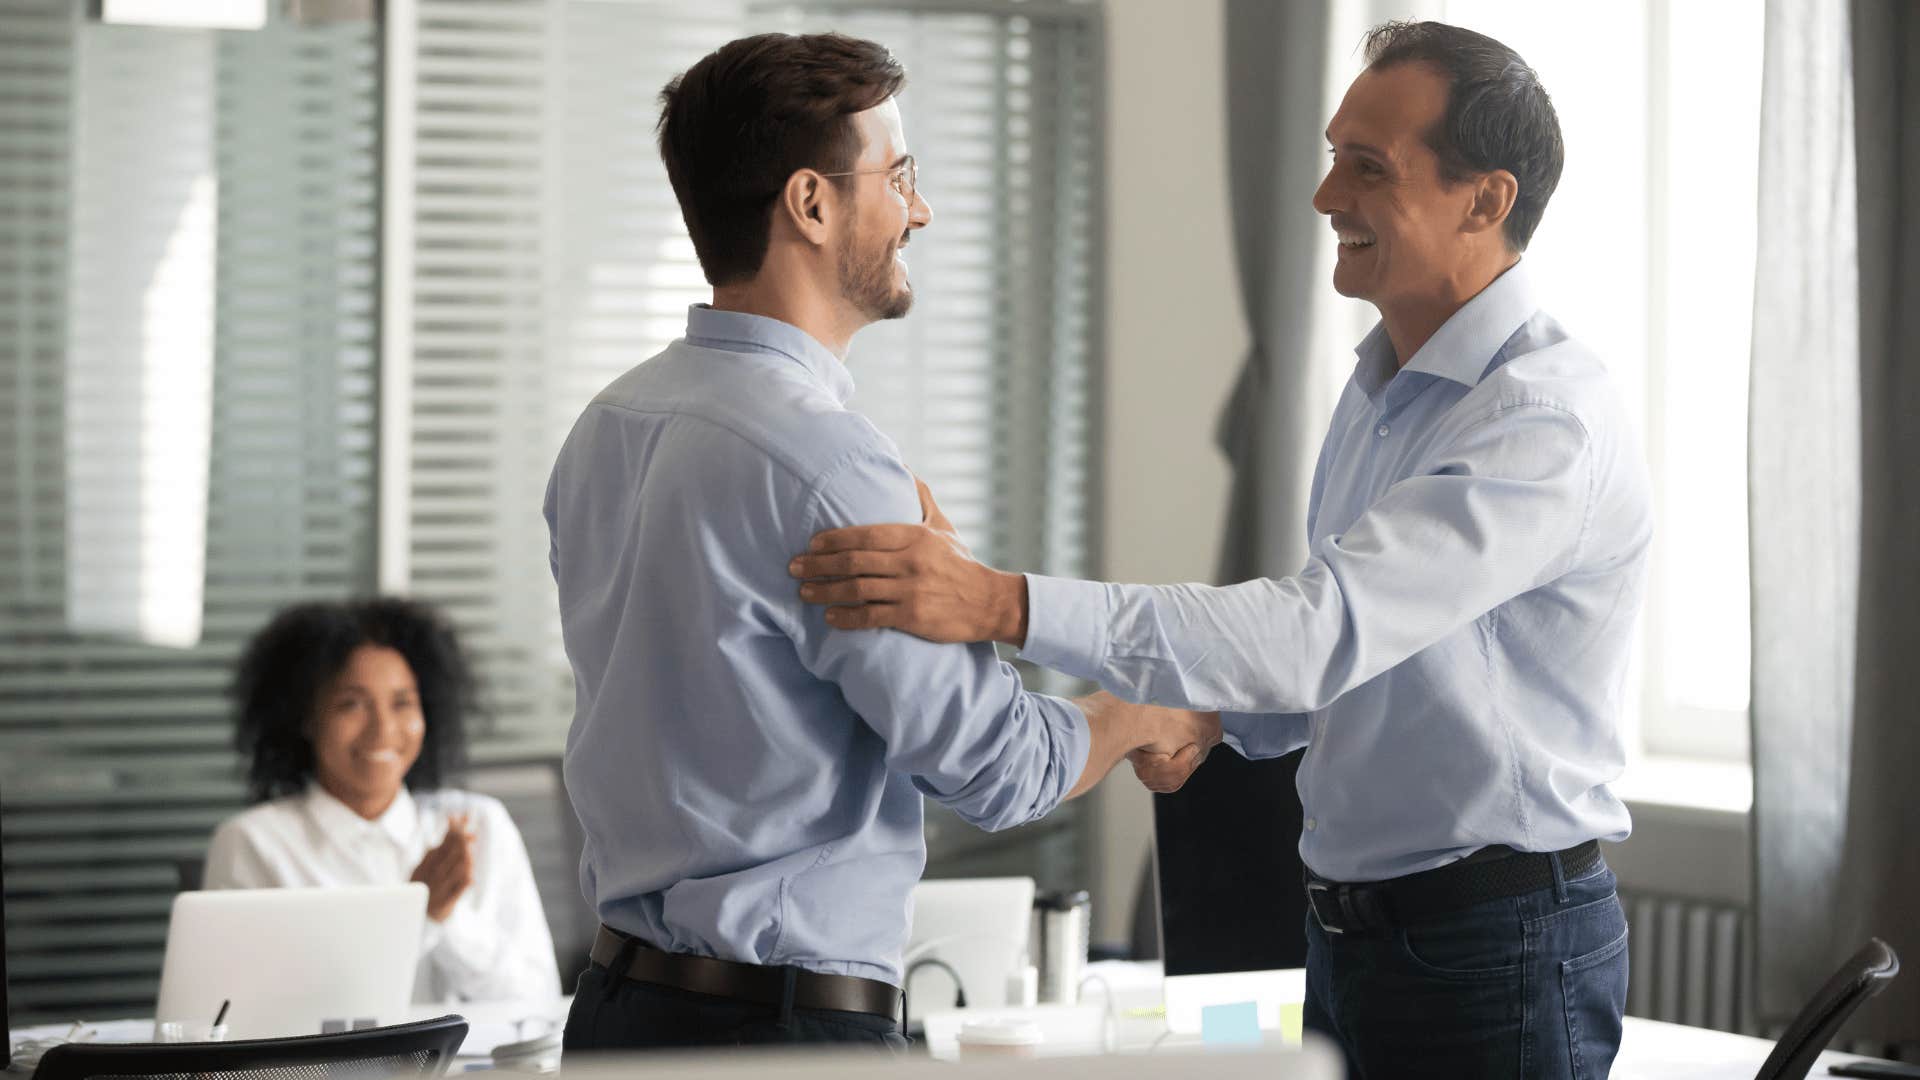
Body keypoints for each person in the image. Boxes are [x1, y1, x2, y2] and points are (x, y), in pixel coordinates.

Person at [789, 20, 1650, 1079]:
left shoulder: (1541, 419)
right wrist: (1203, 715)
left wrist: (1004, 603)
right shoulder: (1382, 386)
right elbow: (1358, 670)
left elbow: (1318, 633)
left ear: (1487, 199)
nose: (1328, 197)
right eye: (1334, 156)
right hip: (1353, 939)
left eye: (1368, 169)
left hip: (1490, 948)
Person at [544, 32, 1216, 1054]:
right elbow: (993, 767)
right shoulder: (826, 464)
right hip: (777, 1033)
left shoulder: (609, 425)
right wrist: (1130, 715)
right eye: (899, 176)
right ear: (811, 204)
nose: (921, 209)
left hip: (616, 1012)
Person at [204, 598, 561, 1004]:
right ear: (305, 717)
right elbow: (247, 1018)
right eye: (351, 704)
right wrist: (418, 914)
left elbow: (537, 1001)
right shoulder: (255, 844)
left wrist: (450, 917)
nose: (382, 729)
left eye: (402, 702)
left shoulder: (479, 824)